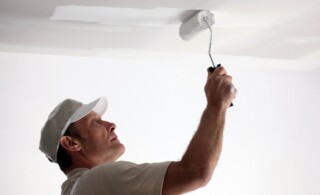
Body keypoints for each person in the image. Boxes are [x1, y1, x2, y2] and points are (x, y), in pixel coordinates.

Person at [39, 66, 237, 195]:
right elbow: (196, 172)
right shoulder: (97, 180)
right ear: (71, 143)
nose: (111, 125)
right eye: (95, 123)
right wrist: (216, 104)